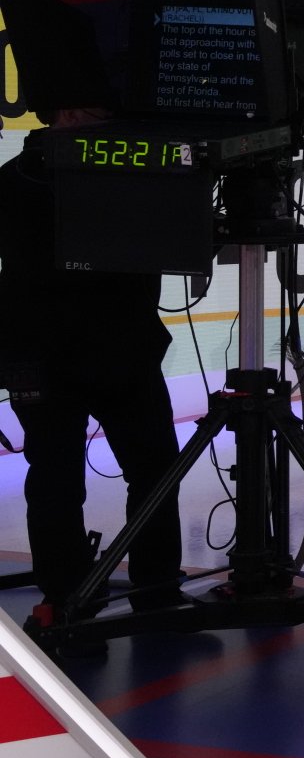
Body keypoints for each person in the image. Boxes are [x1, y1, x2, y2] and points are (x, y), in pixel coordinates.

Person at [0, 108, 185, 619]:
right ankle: (140, 593)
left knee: (85, 474)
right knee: (117, 471)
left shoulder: (13, 179)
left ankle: (75, 599)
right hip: (97, 353)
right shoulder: (129, 177)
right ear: (63, 113)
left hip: (67, 353)